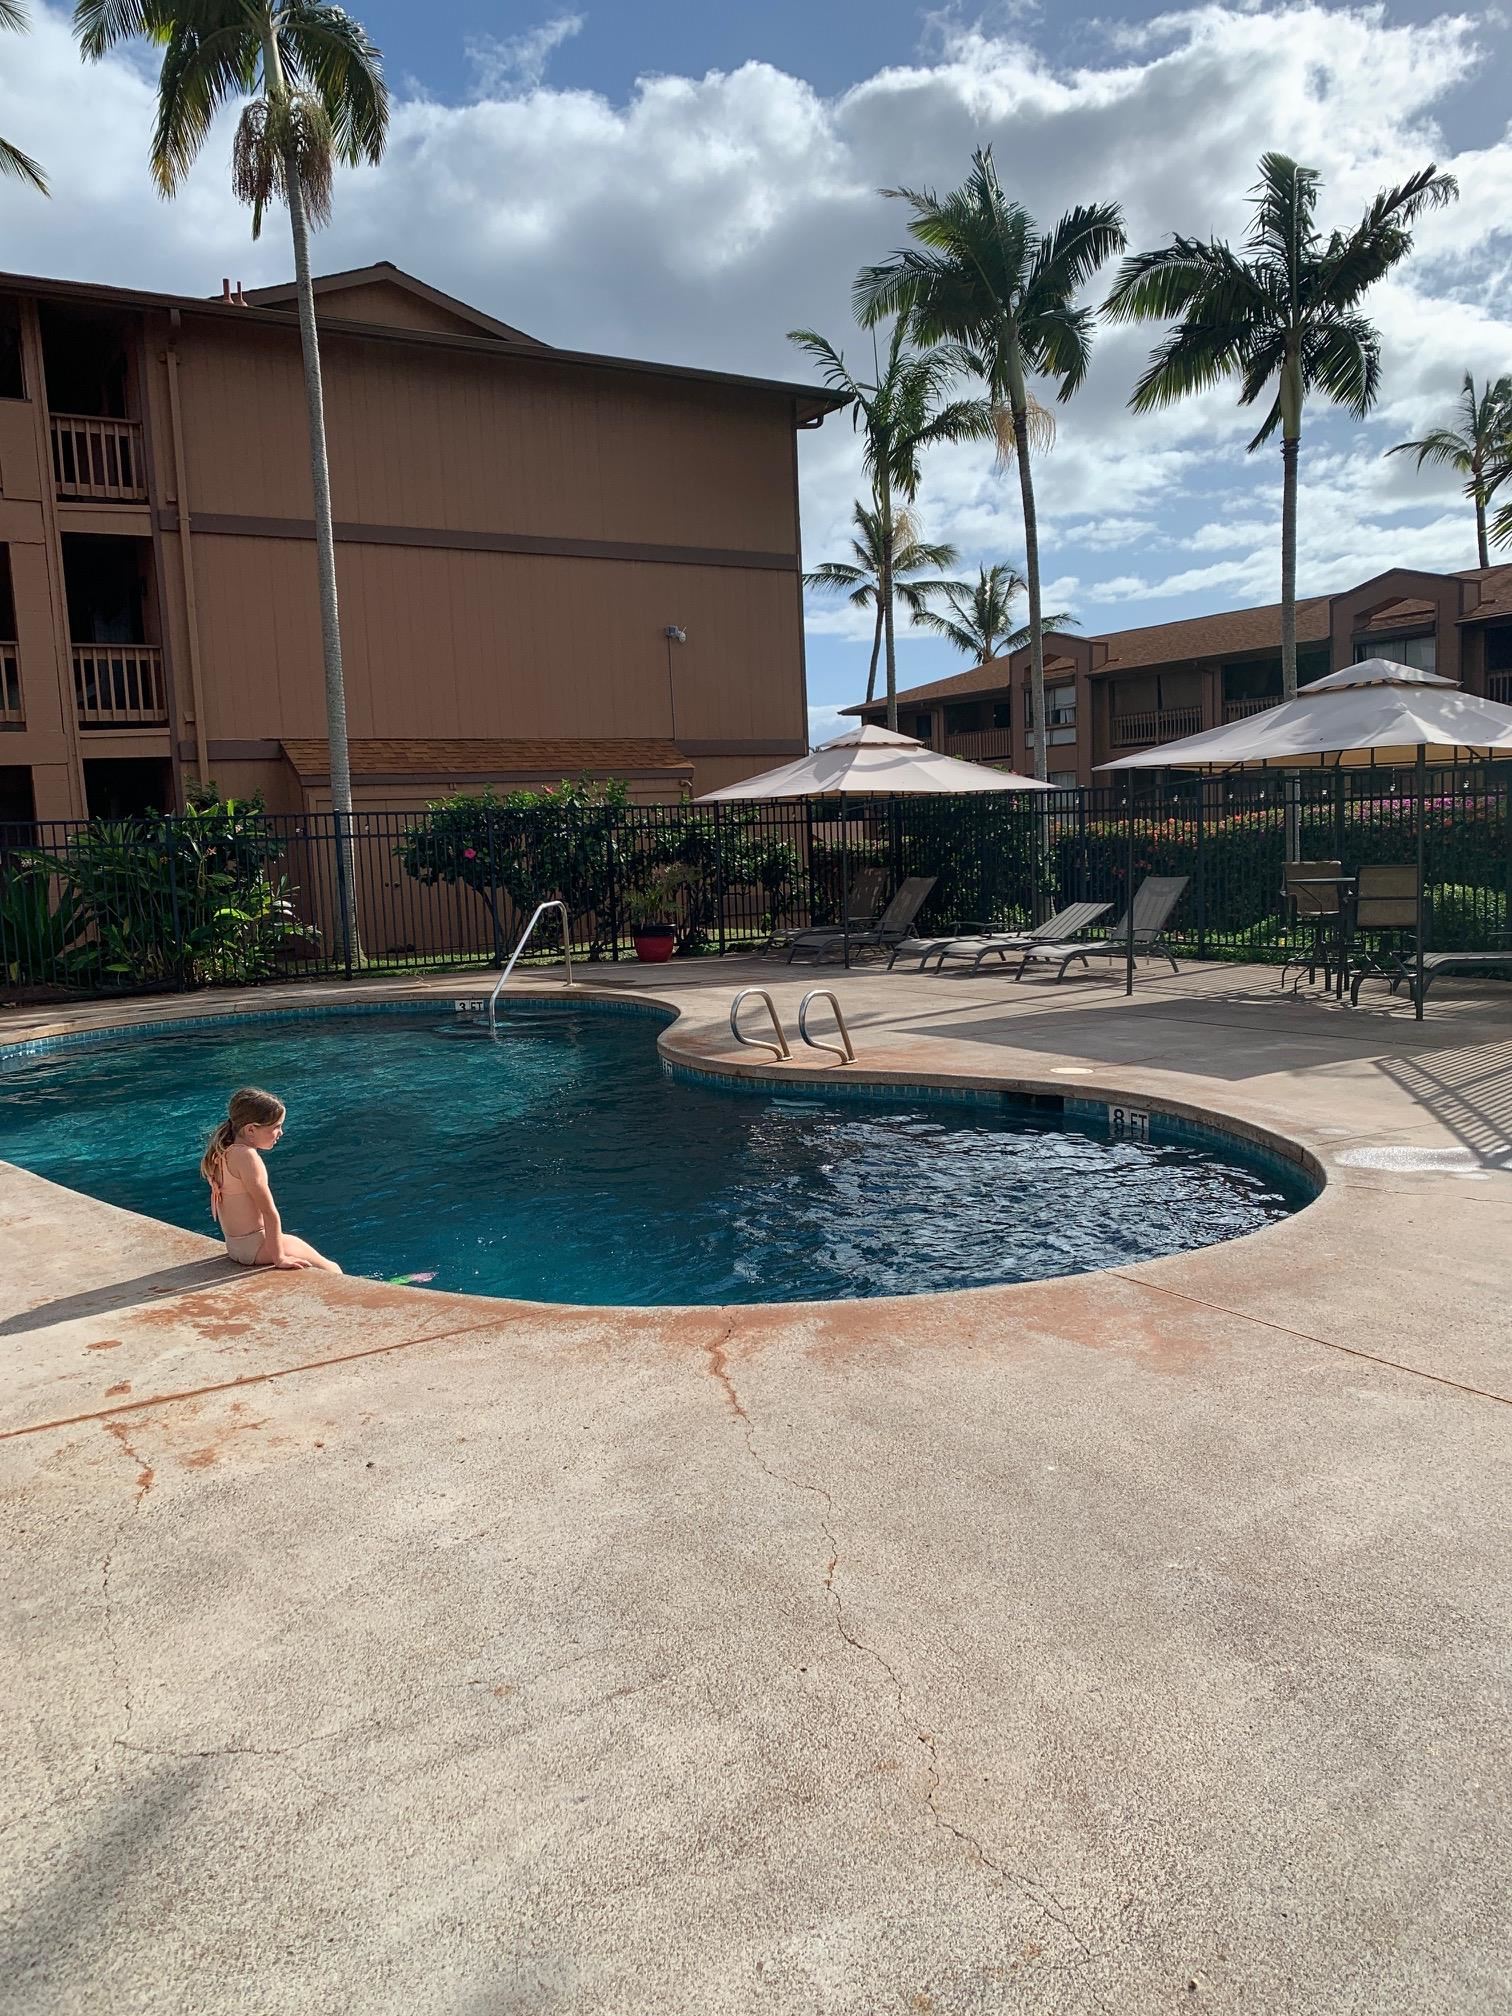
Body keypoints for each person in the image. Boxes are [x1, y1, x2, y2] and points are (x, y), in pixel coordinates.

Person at [200, 1087, 341, 1273]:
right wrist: (279, 1257)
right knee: (334, 1270)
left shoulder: (221, 1153)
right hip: (257, 1248)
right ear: (251, 1129)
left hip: (235, 1248)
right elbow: (269, 1212)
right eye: (276, 1127)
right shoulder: (247, 1157)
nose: (281, 1133)